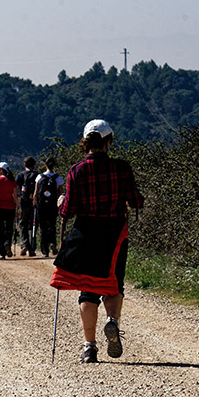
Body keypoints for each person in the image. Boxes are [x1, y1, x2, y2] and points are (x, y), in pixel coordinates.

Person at [50, 119, 144, 363]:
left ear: (85, 142)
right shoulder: (122, 168)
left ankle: (89, 347)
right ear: (109, 142)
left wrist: (61, 202)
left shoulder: (76, 171)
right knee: (114, 284)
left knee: (88, 290)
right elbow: (136, 201)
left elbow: (68, 210)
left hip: (86, 235)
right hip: (115, 235)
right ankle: (112, 321)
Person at [33, 156, 65, 257]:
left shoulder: (39, 177)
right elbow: (61, 194)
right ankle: (52, 242)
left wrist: (34, 202)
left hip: (41, 205)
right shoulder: (58, 178)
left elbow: (36, 192)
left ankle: (45, 250)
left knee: (43, 227)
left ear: (45, 165)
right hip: (53, 205)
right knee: (52, 225)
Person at [0, 162, 18, 259]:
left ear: (1, 170)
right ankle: (7, 244)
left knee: (0, 230)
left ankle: (2, 252)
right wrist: (18, 208)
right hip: (10, 207)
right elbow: (15, 196)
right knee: (9, 228)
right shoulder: (12, 181)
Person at [15, 156, 40, 256]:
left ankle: (24, 244)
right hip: (34, 203)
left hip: (23, 202)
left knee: (23, 224)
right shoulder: (37, 175)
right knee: (33, 225)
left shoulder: (20, 175)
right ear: (34, 165)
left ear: (24, 164)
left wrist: (17, 202)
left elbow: (16, 189)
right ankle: (32, 248)